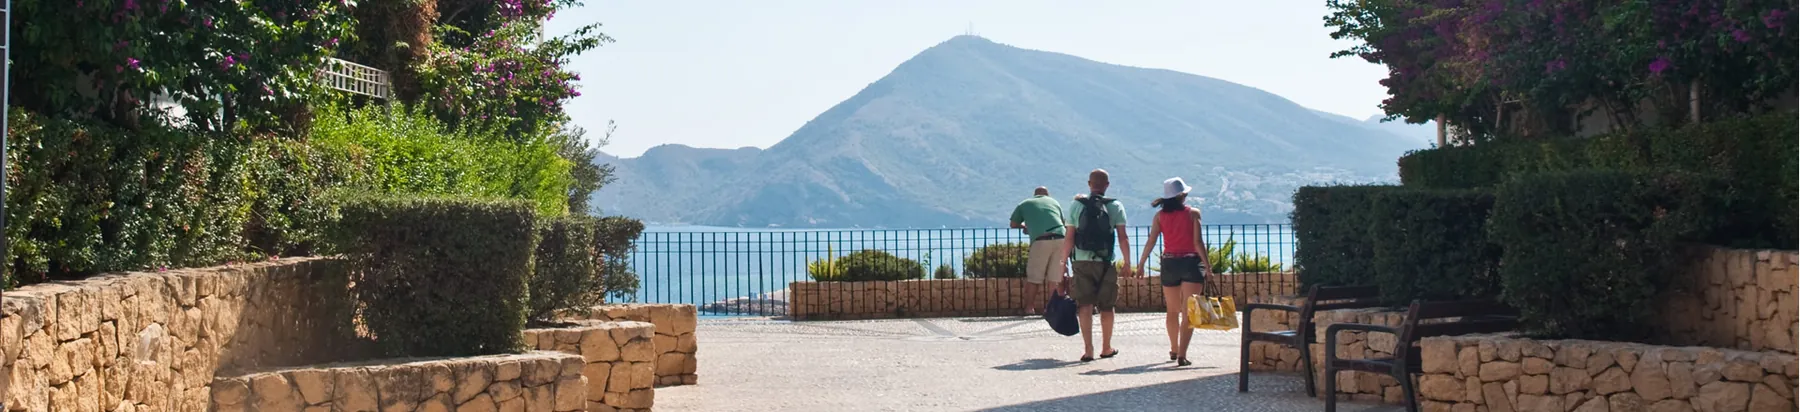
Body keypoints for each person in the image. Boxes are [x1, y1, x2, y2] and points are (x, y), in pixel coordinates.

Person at [1135, 177, 1210, 367]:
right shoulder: (1193, 213)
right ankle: (1182, 355)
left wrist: (1142, 263)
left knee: (1172, 310)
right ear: (1182, 195)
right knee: (1188, 312)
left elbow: (1151, 240)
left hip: (1169, 263)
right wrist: (1208, 266)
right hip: (1190, 263)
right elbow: (1197, 242)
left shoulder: (1159, 217)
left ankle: (1174, 348)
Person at [1062, 169, 1132, 362]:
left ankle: (1088, 349)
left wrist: (1062, 264)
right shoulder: (1115, 206)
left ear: (1089, 184)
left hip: (1081, 261)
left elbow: (1069, 238)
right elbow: (1123, 238)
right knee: (1107, 306)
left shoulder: (1077, 205)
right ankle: (1107, 347)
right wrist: (1127, 262)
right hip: (1105, 261)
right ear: (1107, 185)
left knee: (1084, 304)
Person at [1010, 186, 1066, 316]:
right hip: (1060, 239)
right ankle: (1052, 309)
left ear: (1034, 195)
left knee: (1035, 277)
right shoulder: (1054, 202)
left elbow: (1013, 224)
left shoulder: (1025, 203)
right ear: (1047, 195)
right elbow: (1062, 222)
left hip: (1041, 240)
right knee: (1054, 278)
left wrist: (1025, 226)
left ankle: (1029, 308)